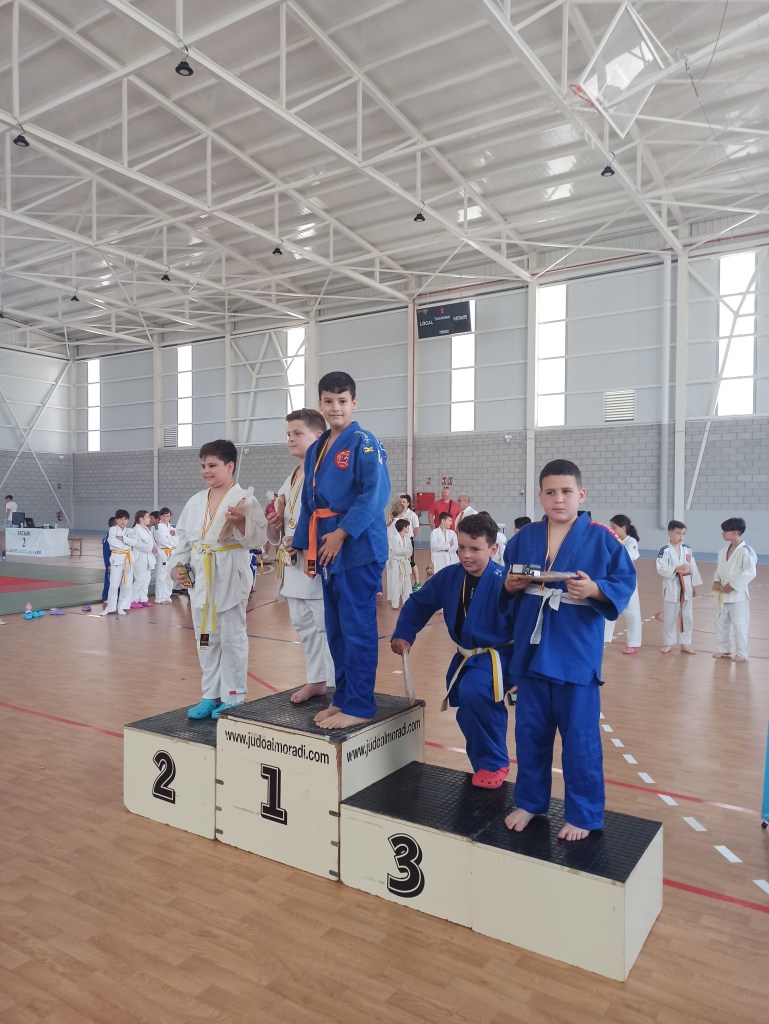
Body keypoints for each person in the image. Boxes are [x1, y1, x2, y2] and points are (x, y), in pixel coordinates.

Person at [502, 459, 636, 841]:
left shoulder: (601, 538)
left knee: (580, 740)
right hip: (531, 652)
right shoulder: (525, 537)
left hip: (574, 653)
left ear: (581, 494)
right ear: (540, 496)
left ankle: (584, 813)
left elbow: (623, 582)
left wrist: (595, 589)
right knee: (530, 734)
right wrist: (509, 586)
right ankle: (530, 801)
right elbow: (507, 582)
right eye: (550, 492)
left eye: (566, 491)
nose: (558, 499)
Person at [292, 370, 390, 729]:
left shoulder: (364, 442)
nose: (336, 407)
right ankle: (344, 698)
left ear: (354, 403)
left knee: (357, 628)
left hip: (357, 547)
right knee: (335, 629)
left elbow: (375, 493)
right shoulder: (317, 448)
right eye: (329, 401)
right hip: (327, 548)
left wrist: (342, 533)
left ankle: (360, 705)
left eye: (342, 401)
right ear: (320, 403)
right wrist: (303, 542)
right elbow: (309, 501)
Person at [392, 512, 516, 787]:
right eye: (461, 547)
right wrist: (404, 632)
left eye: (475, 549)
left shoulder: (504, 581)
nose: (466, 555)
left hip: (498, 657)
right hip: (467, 656)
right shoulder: (450, 576)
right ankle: (485, 764)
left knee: (476, 695)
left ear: (493, 549)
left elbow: (525, 627)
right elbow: (420, 603)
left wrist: (520, 673)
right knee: (470, 707)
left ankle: (494, 763)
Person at [171, 440, 267, 719]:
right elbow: (183, 542)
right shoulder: (195, 501)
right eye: (203, 465)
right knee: (205, 638)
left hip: (229, 576)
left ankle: (233, 695)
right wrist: (177, 568)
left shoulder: (245, 499)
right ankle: (209, 694)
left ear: (230, 466)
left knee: (232, 637)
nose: (206, 470)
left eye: (212, 465)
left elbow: (258, 539)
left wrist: (240, 522)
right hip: (201, 577)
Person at [265, 408, 335, 705]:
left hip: (317, 563)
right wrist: (275, 523)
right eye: (288, 434)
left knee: (326, 628)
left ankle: (336, 687)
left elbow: (333, 518)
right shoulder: (294, 475)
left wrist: (305, 540)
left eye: (297, 433)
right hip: (293, 565)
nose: (290, 439)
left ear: (318, 436)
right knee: (304, 626)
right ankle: (316, 680)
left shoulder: (326, 471)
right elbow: (283, 518)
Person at [712, 517, 757, 663]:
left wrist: (733, 586)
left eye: (725, 531)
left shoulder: (746, 551)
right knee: (721, 623)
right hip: (722, 593)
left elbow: (750, 572)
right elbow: (719, 569)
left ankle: (742, 653)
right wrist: (716, 581)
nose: (722, 533)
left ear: (735, 532)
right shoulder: (722, 551)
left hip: (738, 594)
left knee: (740, 625)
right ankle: (723, 649)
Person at [656, 519, 702, 654]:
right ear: (669, 533)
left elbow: (693, 567)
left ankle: (685, 643)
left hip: (686, 585)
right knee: (670, 617)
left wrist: (694, 585)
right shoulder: (664, 550)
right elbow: (660, 569)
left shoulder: (687, 549)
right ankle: (669, 643)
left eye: (683, 533)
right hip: (672, 586)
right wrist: (676, 569)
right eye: (678, 533)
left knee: (687, 617)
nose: (681, 536)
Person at [603, 514, 642, 654]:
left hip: (628, 583)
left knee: (632, 614)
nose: (611, 530)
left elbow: (626, 560)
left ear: (623, 528)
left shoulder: (631, 542)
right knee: (609, 610)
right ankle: (603, 640)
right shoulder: (613, 540)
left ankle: (633, 643)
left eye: (614, 527)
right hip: (613, 582)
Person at [100, 509, 136, 616]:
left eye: (125, 519)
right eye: (120, 519)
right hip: (116, 559)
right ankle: (110, 608)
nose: (122, 521)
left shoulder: (130, 531)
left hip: (128, 560)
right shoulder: (112, 530)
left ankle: (121, 607)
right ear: (116, 520)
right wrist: (127, 543)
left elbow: (134, 542)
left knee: (126, 585)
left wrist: (123, 538)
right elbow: (112, 542)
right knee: (114, 585)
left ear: (128, 520)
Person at [130, 510, 155, 608]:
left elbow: (151, 542)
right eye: (147, 517)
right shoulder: (135, 530)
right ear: (141, 518)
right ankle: (132, 600)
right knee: (139, 580)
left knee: (146, 579)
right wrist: (150, 548)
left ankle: (143, 599)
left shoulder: (146, 529)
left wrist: (153, 547)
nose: (149, 519)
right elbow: (137, 544)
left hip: (148, 558)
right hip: (139, 558)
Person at [387, 518, 413, 609]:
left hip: (405, 562)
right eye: (407, 527)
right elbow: (397, 551)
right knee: (396, 583)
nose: (409, 528)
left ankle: (407, 601)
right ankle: (395, 603)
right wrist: (405, 551)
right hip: (396, 563)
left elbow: (410, 552)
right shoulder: (394, 538)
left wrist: (404, 551)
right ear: (403, 527)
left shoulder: (408, 539)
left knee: (407, 583)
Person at [153, 507, 176, 604]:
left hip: (172, 552)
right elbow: (162, 540)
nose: (165, 518)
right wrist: (171, 542)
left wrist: (172, 542)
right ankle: (160, 598)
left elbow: (177, 539)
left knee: (170, 576)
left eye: (167, 516)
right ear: (160, 517)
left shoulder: (173, 527)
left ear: (170, 516)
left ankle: (167, 596)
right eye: (163, 516)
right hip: (162, 553)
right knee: (161, 576)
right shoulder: (157, 527)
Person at [399, 493, 421, 590]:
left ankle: (417, 582)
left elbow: (416, 528)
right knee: (400, 561)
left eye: (403, 502)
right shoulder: (397, 514)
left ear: (408, 503)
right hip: (399, 541)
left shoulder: (412, 515)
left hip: (408, 540)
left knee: (411, 561)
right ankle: (402, 584)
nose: (401, 503)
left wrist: (410, 537)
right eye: (400, 502)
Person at [101, 516, 116, 605]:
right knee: (109, 581)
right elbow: (106, 553)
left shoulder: (113, 536)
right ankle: (106, 597)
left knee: (115, 581)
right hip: (110, 563)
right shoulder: (108, 538)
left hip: (117, 562)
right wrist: (108, 564)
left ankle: (115, 596)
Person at [2, 494, 17, 559]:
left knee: (7, 535)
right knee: (13, 534)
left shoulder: (8, 504)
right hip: (14, 521)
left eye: (6, 499)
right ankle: (12, 547)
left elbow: (8, 512)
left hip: (9, 520)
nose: (5, 501)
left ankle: (6, 549)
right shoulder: (15, 504)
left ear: (8, 499)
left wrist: (5, 520)